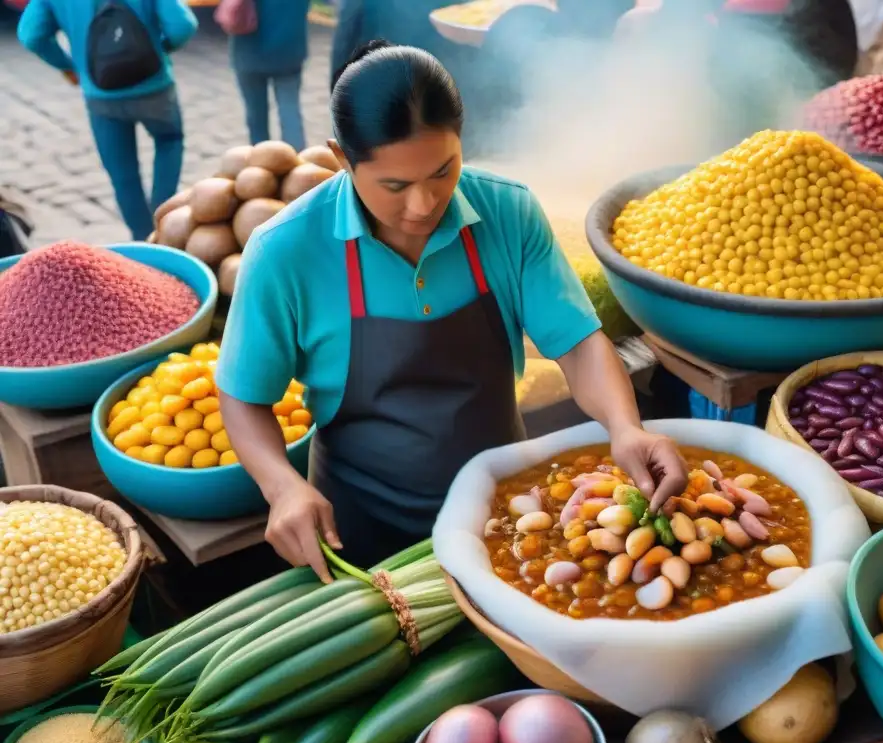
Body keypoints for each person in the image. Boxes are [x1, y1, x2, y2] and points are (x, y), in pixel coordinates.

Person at [216, 41, 689, 580]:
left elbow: (578, 345)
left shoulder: (508, 212)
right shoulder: (286, 249)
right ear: (342, 158)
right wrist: (281, 485)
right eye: (395, 185)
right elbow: (244, 395)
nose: (423, 205)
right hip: (359, 527)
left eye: (443, 171)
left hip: (504, 511)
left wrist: (625, 427)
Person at [17, 0, 197, 241]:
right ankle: (164, 221)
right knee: (169, 142)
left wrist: (70, 66)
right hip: (154, 87)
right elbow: (182, 25)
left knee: (123, 176)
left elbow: (31, 35)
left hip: (100, 95)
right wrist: (159, 48)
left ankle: (143, 240)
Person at [229, 0, 312, 150]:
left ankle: (263, 162)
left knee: (256, 116)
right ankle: (297, 164)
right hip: (290, 51)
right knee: (290, 111)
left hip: (249, 52)